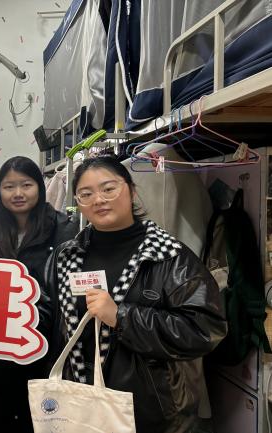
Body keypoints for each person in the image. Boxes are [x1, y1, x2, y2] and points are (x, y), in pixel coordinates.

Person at [47, 156, 227, 433]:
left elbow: (205, 329)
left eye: (109, 189)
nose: (99, 200)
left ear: (131, 191)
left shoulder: (169, 256)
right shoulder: (66, 256)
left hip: (149, 412)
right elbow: (50, 322)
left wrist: (121, 317)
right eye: (86, 194)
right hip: (79, 406)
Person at [0, 156, 78, 433]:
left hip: (44, 354)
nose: (18, 193)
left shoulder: (64, 230)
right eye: (9, 186)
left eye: (26, 185)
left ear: (40, 187)